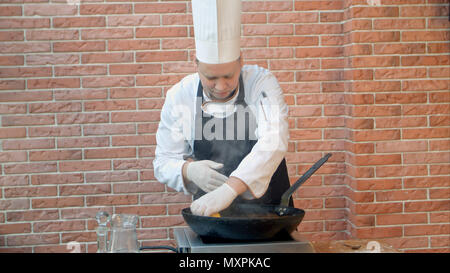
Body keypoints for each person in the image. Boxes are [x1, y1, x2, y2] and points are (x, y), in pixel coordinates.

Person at [153, 0, 292, 216]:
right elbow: (163, 162)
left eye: (229, 75)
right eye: (211, 77)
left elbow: (274, 140)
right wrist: (188, 170)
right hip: (212, 215)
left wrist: (230, 189)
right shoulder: (180, 96)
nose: (221, 86)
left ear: (241, 62)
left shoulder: (261, 83)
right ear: (196, 65)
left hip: (271, 213)